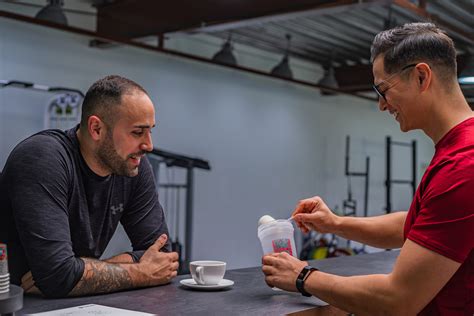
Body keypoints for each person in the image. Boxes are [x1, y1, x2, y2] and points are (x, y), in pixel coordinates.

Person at [262, 22, 474, 314]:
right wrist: (334, 223)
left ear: (421, 76)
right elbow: (421, 223)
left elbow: (398, 299)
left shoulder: (463, 166)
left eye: (383, 89)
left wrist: (303, 276)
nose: (381, 105)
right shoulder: (461, 149)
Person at [0, 75, 179, 298]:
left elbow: (163, 256)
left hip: (62, 302)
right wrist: (140, 273)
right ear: (96, 129)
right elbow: (59, 276)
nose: (149, 145)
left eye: (150, 130)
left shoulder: (133, 166)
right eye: (137, 132)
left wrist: (75, 275)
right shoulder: (42, 158)